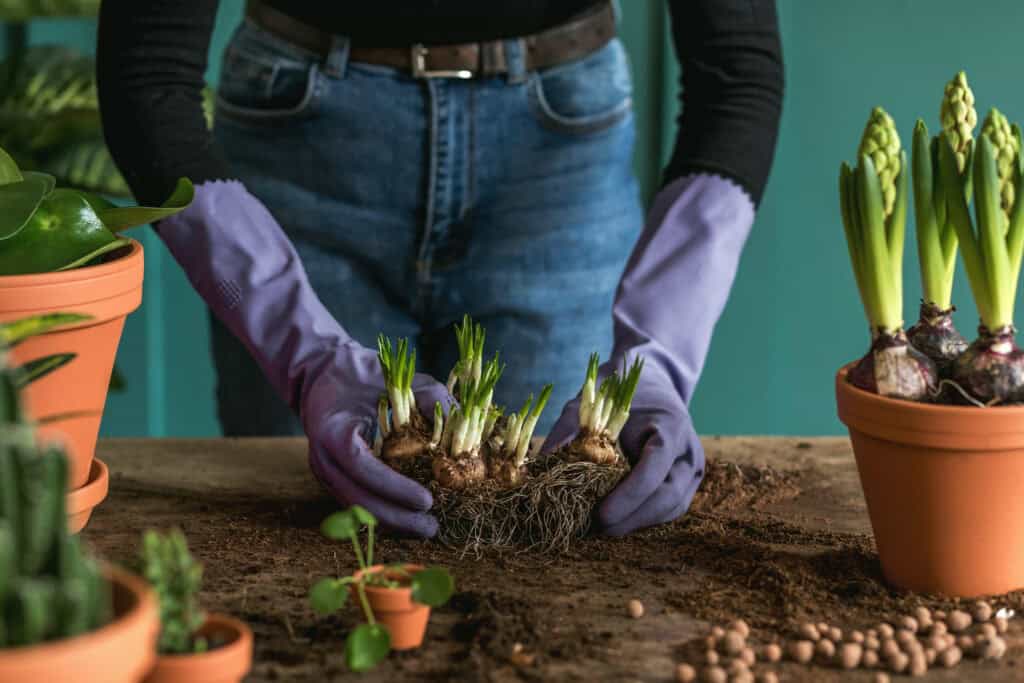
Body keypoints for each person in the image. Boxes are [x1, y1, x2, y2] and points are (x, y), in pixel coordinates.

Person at [96, 0, 783, 537]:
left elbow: (737, 69)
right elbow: (147, 71)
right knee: (314, 541)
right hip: (301, 141)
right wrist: (304, 352)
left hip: (557, 159)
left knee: (557, 540)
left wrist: (658, 358)